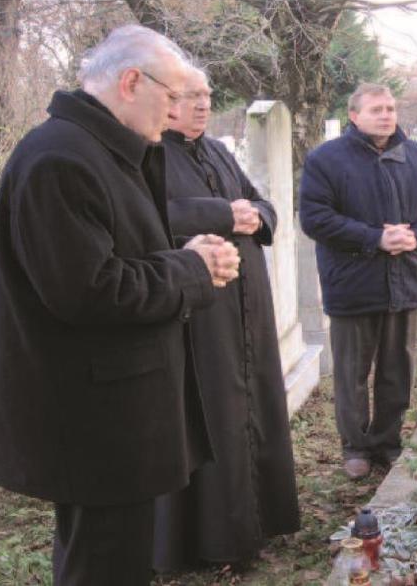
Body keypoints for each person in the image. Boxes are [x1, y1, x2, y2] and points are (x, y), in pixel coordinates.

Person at [0, 25, 241, 586]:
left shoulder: (101, 150)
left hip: (117, 408)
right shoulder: (61, 159)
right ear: (131, 81)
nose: (177, 112)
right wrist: (193, 269)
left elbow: (120, 251)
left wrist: (185, 253)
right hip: (94, 420)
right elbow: (91, 291)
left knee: (113, 557)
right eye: (172, 96)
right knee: (103, 565)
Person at [152, 67, 300, 571]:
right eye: (190, 96)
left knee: (256, 405)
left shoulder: (216, 149)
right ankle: (214, 540)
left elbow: (258, 201)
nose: (201, 104)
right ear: (166, 101)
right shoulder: (149, 153)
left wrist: (258, 216)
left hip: (246, 307)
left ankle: (263, 521)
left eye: (207, 95)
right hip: (200, 317)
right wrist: (220, 214)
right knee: (212, 415)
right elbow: (150, 216)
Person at [299, 83, 417, 479]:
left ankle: (388, 442)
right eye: (376, 109)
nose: (386, 115)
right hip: (353, 282)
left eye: (390, 108)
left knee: (396, 369)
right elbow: (315, 217)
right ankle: (355, 447)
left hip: (404, 280)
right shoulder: (327, 160)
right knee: (352, 372)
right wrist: (375, 238)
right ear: (354, 115)